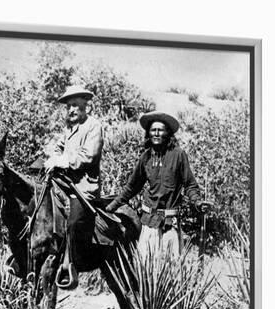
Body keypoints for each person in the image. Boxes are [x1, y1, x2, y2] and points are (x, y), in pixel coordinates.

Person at [105, 111, 211, 257]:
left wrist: (198, 202)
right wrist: (111, 206)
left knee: (171, 267)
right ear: (148, 133)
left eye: (160, 130)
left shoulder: (178, 155)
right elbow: (132, 187)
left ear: (167, 132)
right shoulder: (146, 157)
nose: (156, 133)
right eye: (153, 130)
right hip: (149, 222)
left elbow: (190, 185)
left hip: (170, 222)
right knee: (147, 267)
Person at [44, 85, 103, 288]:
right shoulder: (68, 127)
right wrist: (52, 153)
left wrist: (62, 161)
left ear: (86, 106)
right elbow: (58, 145)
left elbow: (89, 155)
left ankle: (71, 266)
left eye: (76, 106)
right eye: (69, 106)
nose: (71, 110)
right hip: (64, 183)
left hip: (83, 187)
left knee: (73, 223)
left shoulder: (94, 126)